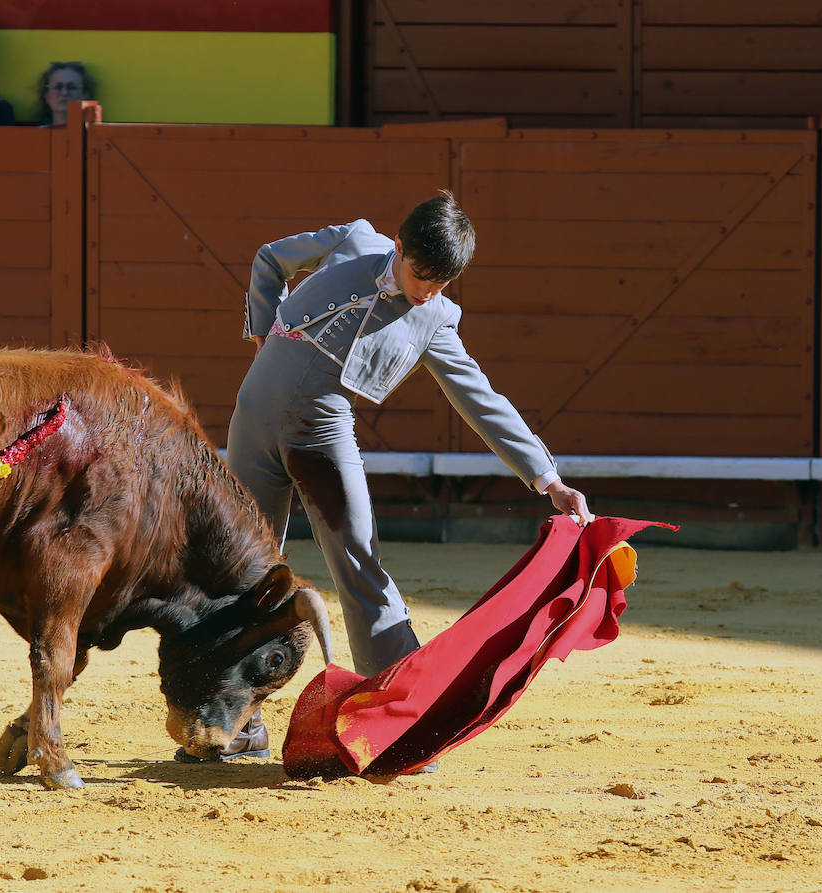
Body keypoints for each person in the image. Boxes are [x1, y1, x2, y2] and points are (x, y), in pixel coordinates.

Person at [182, 191, 593, 763]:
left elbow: (481, 400)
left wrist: (547, 479)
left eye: (440, 284)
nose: (426, 291)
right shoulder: (354, 239)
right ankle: (228, 718)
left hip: (318, 430)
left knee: (357, 559)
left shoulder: (435, 321)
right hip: (251, 416)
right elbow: (270, 257)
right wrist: (261, 328)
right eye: (420, 274)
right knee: (244, 569)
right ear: (398, 247)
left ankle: (402, 711)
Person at [35, 61, 95, 127]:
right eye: (58, 87)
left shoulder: (95, 135)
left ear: (84, 95)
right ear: (47, 96)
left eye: (71, 87)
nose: (64, 93)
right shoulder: (34, 135)